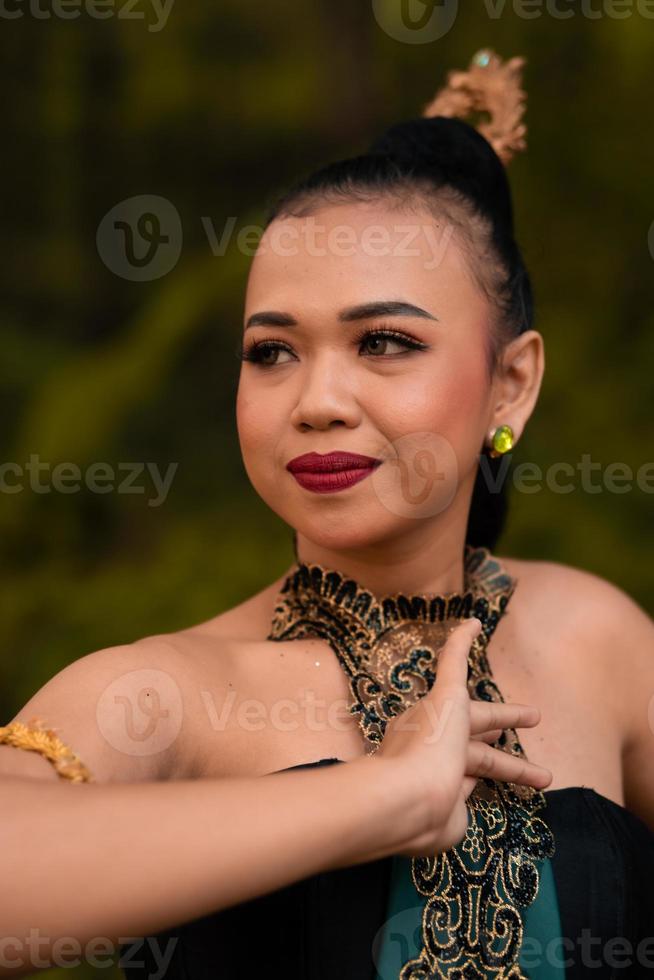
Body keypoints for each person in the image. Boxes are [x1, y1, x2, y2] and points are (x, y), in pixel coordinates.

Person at [2, 47, 653, 979]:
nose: (317, 400)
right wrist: (385, 799)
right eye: (272, 352)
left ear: (511, 384)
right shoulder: (171, 693)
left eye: (383, 341)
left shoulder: (598, 642)